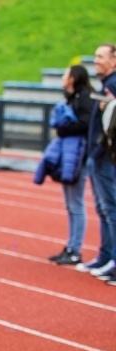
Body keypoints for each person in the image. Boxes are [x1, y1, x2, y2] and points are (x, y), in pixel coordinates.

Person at [35, 65, 94, 265]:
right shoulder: (73, 98)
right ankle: (71, 246)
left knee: (76, 204)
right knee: (70, 204)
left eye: (65, 74)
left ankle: (75, 250)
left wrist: (63, 129)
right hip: (71, 155)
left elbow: (86, 123)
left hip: (79, 157)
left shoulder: (85, 98)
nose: (62, 77)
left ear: (73, 78)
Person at [75, 43, 116, 284]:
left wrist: (100, 150)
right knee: (104, 209)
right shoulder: (107, 84)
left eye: (101, 57)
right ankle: (106, 256)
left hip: (105, 156)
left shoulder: (113, 85)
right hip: (99, 154)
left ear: (114, 60)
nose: (96, 60)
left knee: (111, 209)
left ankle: (112, 260)